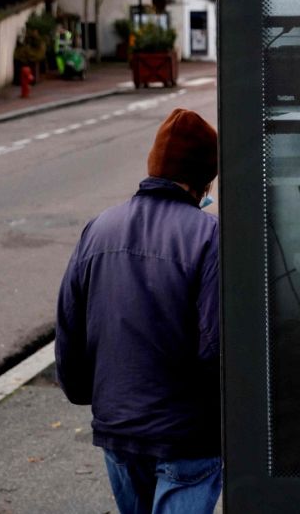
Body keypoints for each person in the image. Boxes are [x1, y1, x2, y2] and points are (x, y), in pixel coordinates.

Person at [56, 108, 222, 514]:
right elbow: (215, 346)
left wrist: (87, 395)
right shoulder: (210, 236)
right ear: (205, 180)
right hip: (187, 436)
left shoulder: (99, 228)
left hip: (118, 430)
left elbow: (69, 326)